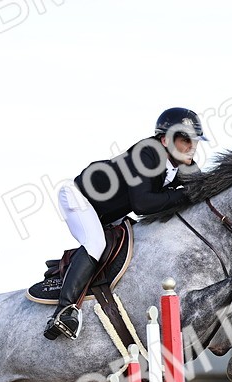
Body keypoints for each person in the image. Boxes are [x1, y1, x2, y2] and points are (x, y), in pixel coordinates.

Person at [45, 107, 206, 340]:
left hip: (111, 211)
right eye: (185, 140)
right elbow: (143, 204)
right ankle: (65, 310)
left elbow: (201, 190)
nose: (192, 146)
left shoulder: (184, 163)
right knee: (95, 243)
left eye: (195, 140)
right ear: (164, 140)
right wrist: (185, 195)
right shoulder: (146, 153)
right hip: (81, 198)